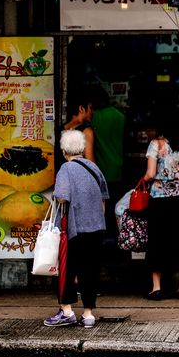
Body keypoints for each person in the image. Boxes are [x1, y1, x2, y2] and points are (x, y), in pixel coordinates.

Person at [43, 129, 109, 328]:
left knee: (67, 269)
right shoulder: (94, 168)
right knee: (90, 269)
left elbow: (62, 197)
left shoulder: (66, 169)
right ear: (81, 148)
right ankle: (88, 315)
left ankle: (66, 310)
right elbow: (103, 198)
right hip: (96, 227)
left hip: (75, 229)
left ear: (64, 151)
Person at [143, 111, 179, 301]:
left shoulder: (156, 145)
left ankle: (156, 288)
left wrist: (144, 179)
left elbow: (150, 173)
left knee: (157, 241)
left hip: (159, 200)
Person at [90, 85, 125, 239]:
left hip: (100, 169)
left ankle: (104, 238)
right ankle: (116, 237)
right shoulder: (119, 115)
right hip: (117, 167)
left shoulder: (93, 117)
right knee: (116, 206)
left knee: (101, 208)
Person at [62, 91, 96, 163]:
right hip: (78, 173)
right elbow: (90, 164)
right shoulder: (87, 132)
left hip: (61, 173)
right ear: (81, 108)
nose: (93, 112)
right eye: (91, 108)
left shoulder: (59, 129)